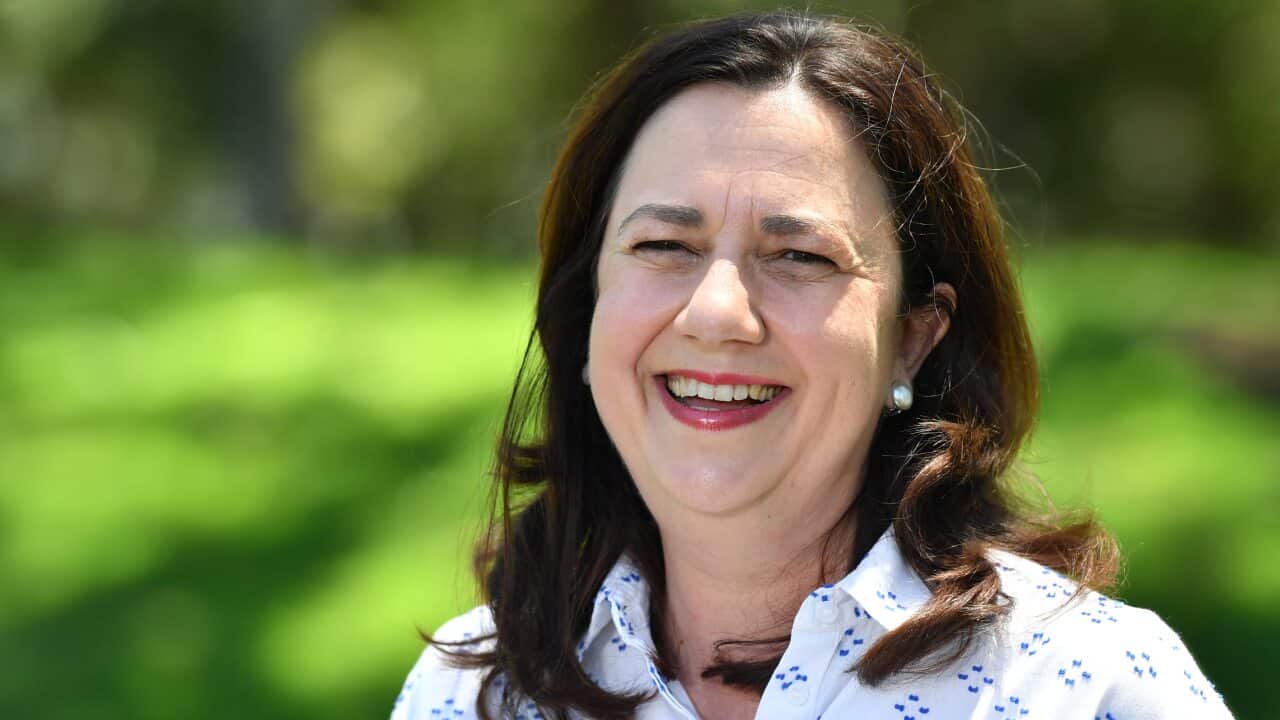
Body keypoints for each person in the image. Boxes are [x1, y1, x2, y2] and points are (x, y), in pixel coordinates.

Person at [391, 11, 1233, 720]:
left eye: (799, 256)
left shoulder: (1088, 689)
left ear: (912, 335)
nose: (716, 312)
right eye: (663, 245)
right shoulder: (471, 694)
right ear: (587, 315)